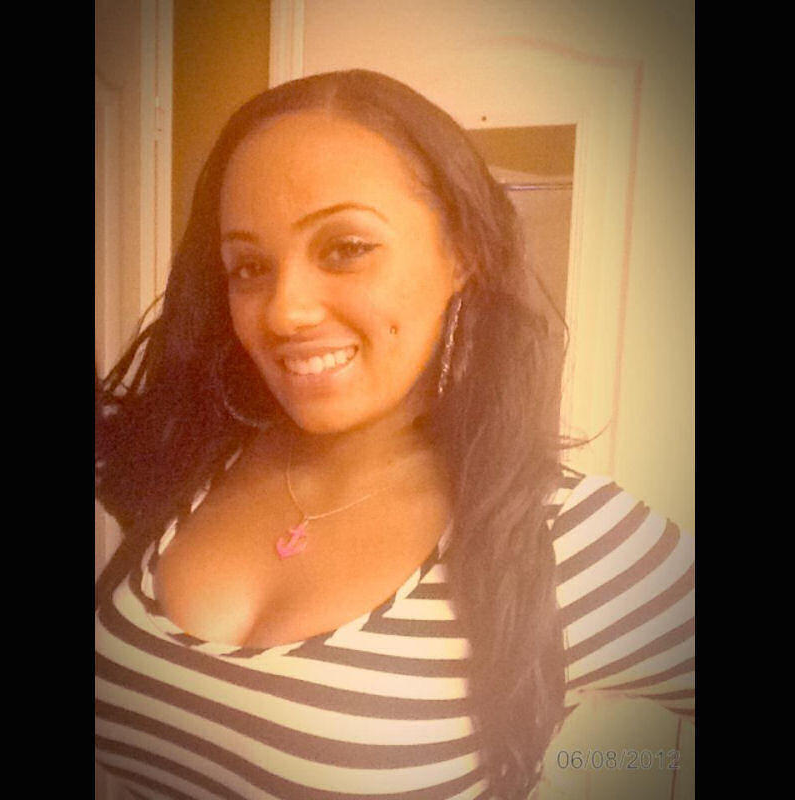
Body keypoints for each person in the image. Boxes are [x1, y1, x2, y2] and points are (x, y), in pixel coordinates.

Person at [95, 69, 694, 800]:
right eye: (249, 266)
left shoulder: (564, 536)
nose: (284, 311)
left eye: (346, 247)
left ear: (461, 253)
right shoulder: (191, 457)